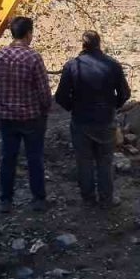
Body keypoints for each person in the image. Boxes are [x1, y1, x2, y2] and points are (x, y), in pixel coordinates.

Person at [54, 30, 131, 208]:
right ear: (99, 43)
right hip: (105, 120)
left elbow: (60, 97)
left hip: (81, 120)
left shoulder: (72, 66)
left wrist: (74, 107)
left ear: (83, 45)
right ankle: (106, 199)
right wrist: (113, 106)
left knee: (84, 161)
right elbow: (125, 93)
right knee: (105, 161)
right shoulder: (113, 65)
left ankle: (88, 199)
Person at [0, 16, 51, 213]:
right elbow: (44, 92)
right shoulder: (33, 58)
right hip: (31, 118)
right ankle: (38, 199)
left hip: (6, 118)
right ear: (29, 33)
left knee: (8, 159)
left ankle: (6, 200)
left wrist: (0, 104)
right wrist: (45, 110)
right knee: (34, 158)